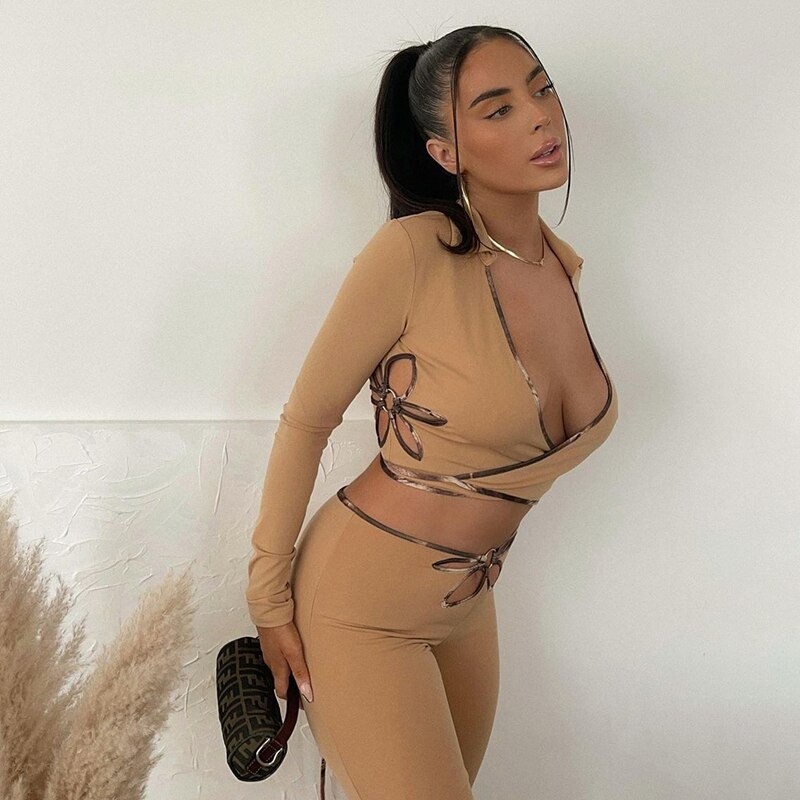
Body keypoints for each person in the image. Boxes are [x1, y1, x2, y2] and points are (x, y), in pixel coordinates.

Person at [245, 24, 619, 800]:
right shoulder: (413, 253)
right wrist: (268, 600)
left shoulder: (561, 268)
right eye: (498, 108)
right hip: (361, 607)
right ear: (444, 151)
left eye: (541, 90)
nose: (539, 117)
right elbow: (308, 420)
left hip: (468, 608)